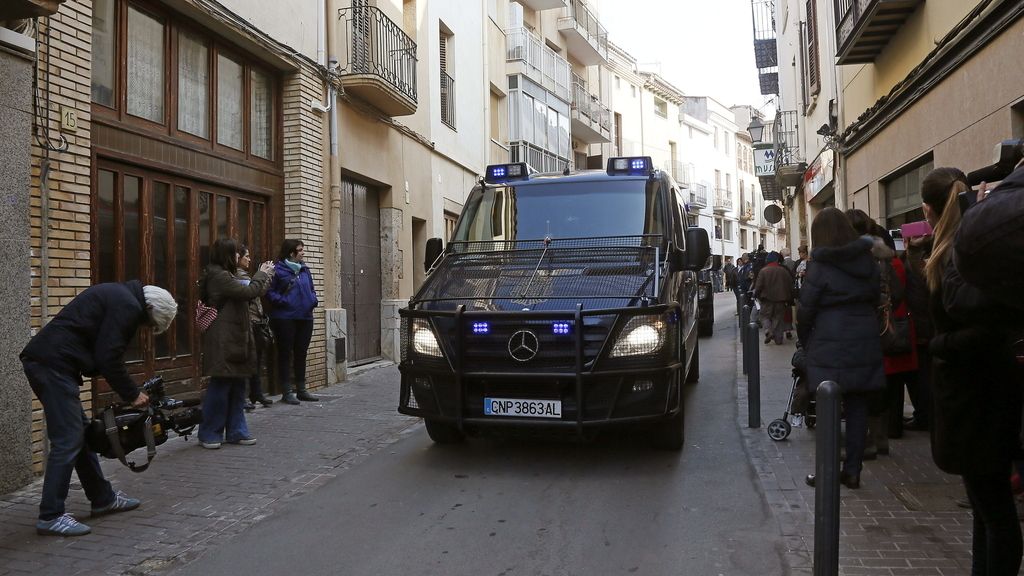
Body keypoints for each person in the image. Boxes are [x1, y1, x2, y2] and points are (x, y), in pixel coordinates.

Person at [920, 167, 1022, 575]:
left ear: (928, 210)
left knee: (994, 511)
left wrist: (938, 345)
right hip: (977, 393)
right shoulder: (964, 249)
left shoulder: (959, 255)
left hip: (977, 396)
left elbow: (981, 327)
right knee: (984, 507)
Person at [20, 281, 178, 536]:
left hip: (53, 364)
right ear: (148, 308)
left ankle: (102, 498)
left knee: (81, 434)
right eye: (148, 324)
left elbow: (100, 350)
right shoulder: (127, 306)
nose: (144, 328)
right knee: (69, 438)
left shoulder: (121, 297)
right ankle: (50, 515)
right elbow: (108, 357)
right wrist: (132, 393)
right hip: (52, 366)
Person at [800, 208, 884, 490]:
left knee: (828, 406)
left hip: (829, 338)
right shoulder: (867, 260)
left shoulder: (820, 265)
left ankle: (826, 471)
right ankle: (853, 471)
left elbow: (806, 309)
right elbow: (876, 296)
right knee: (859, 405)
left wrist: (805, 341)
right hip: (865, 334)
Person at [198, 238, 275, 449]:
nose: (239, 257)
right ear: (227, 255)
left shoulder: (227, 274)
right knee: (221, 386)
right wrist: (262, 273)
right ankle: (209, 432)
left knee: (238, 386)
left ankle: (236, 431)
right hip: (224, 339)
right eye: (236, 254)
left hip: (237, 337)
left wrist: (261, 277)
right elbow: (248, 292)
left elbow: (254, 292)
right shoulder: (218, 275)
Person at [267, 239, 319, 405]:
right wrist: (284, 301)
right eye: (300, 250)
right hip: (285, 318)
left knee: (301, 353)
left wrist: (313, 300)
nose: (303, 252)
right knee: (285, 354)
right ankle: (287, 391)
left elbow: (311, 288)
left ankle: (302, 389)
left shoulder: (305, 270)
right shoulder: (278, 270)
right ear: (291, 253)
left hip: (305, 317)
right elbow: (269, 292)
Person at [238, 245, 273, 410]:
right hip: (248, 322)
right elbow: (255, 291)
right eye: (247, 256)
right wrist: (263, 274)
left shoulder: (246, 275)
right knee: (247, 360)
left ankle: (256, 392)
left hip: (256, 321)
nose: (249, 259)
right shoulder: (237, 275)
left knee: (256, 360)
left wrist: (267, 275)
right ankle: (244, 396)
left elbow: (261, 290)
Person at [753, 251, 793, 345]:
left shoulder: (763, 271)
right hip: (781, 300)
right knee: (778, 319)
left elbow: (758, 286)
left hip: (767, 299)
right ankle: (778, 339)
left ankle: (768, 330)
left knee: (764, 316)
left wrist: (756, 295)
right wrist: (789, 298)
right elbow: (790, 285)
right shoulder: (783, 270)